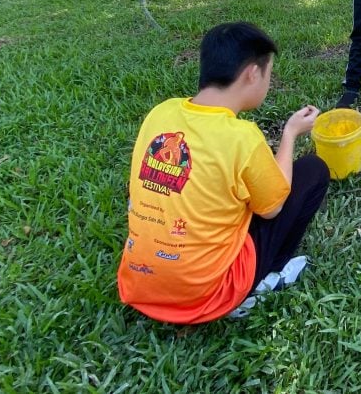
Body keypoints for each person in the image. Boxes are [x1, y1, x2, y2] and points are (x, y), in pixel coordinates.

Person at [117, 22, 330, 324]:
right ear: (252, 74)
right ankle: (265, 278)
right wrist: (290, 134)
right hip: (209, 294)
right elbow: (273, 208)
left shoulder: (160, 113)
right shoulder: (242, 136)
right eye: (269, 74)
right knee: (313, 170)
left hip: (139, 283)